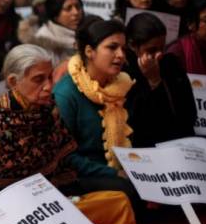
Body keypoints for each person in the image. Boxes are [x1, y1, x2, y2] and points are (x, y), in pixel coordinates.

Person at [0, 44, 135, 224]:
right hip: (9, 208)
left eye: (49, 77)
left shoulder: (48, 107)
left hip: (52, 187)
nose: (48, 86)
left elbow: (64, 160)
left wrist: (62, 197)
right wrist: (45, 206)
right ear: (12, 82)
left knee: (120, 196)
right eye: (39, 80)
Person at [53, 19, 144, 210]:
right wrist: (113, 174)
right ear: (89, 51)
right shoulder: (66, 94)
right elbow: (64, 156)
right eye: (112, 47)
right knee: (127, 190)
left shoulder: (123, 85)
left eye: (123, 48)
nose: (121, 55)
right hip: (79, 176)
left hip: (118, 172)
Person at [125, 13, 196, 148]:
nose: (159, 55)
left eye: (161, 48)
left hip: (177, 144)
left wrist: (156, 81)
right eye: (151, 50)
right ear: (132, 45)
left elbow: (188, 115)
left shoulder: (171, 65)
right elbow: (135, 124)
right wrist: (151, 82)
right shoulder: (124, 73)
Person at [25, 0, 84, 65]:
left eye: (78, 6)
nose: (76, 12)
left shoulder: (86, 33)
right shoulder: (43, 40)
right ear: (55, 14)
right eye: (68, 8)